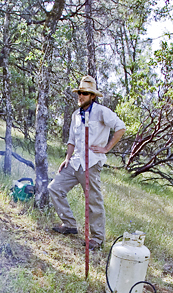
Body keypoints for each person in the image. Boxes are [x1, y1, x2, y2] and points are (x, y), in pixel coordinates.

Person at [48, 75, 126, 250]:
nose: (80, 96)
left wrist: (106, 148)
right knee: (54, 188)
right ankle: (68, 224)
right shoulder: (76, 115)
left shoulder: (101, 111)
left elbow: (121, 127)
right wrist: (67, 158)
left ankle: (97, 239)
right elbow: (71, 141)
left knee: (93, 201)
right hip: (75, 162)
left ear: (92, 96)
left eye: (84, 93)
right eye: (79, 93)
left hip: (91, 163)